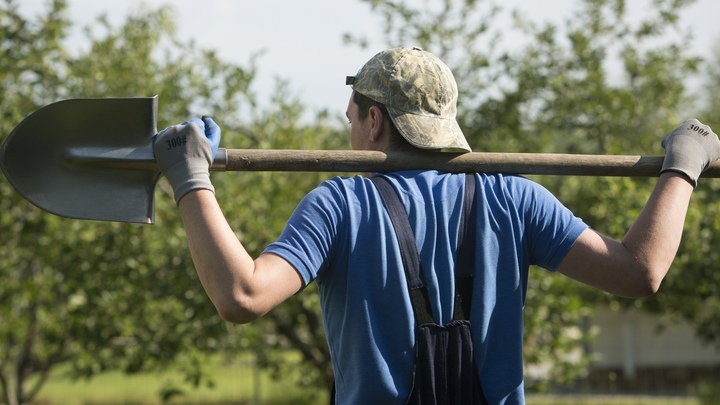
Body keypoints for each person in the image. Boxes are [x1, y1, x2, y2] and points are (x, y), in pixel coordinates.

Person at [153, 47, 720, 404]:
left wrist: (190, 179)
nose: (349, 130)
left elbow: (242, 295)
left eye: (351, 117)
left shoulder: (339, 205)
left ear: (374, 121)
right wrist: (682, 169)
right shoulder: (515, 196)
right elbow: (640, 271)